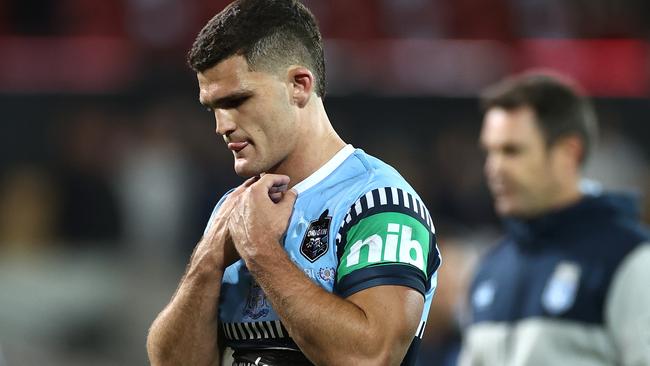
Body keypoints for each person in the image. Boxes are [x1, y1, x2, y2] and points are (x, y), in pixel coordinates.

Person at [146, 1, 441, 365]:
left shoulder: (379, 203)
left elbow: (370, 357)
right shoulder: (235, 209)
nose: (221, 126)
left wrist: (260, 251)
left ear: (299, 86)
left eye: (237, 100)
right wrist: (207, 262)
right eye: (213, 108)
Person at [459, 72, 650, 366]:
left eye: (512, 151)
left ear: (567, 153)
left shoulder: (630, 261)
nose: (493, 168)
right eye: (490, 152)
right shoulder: (491, 268)